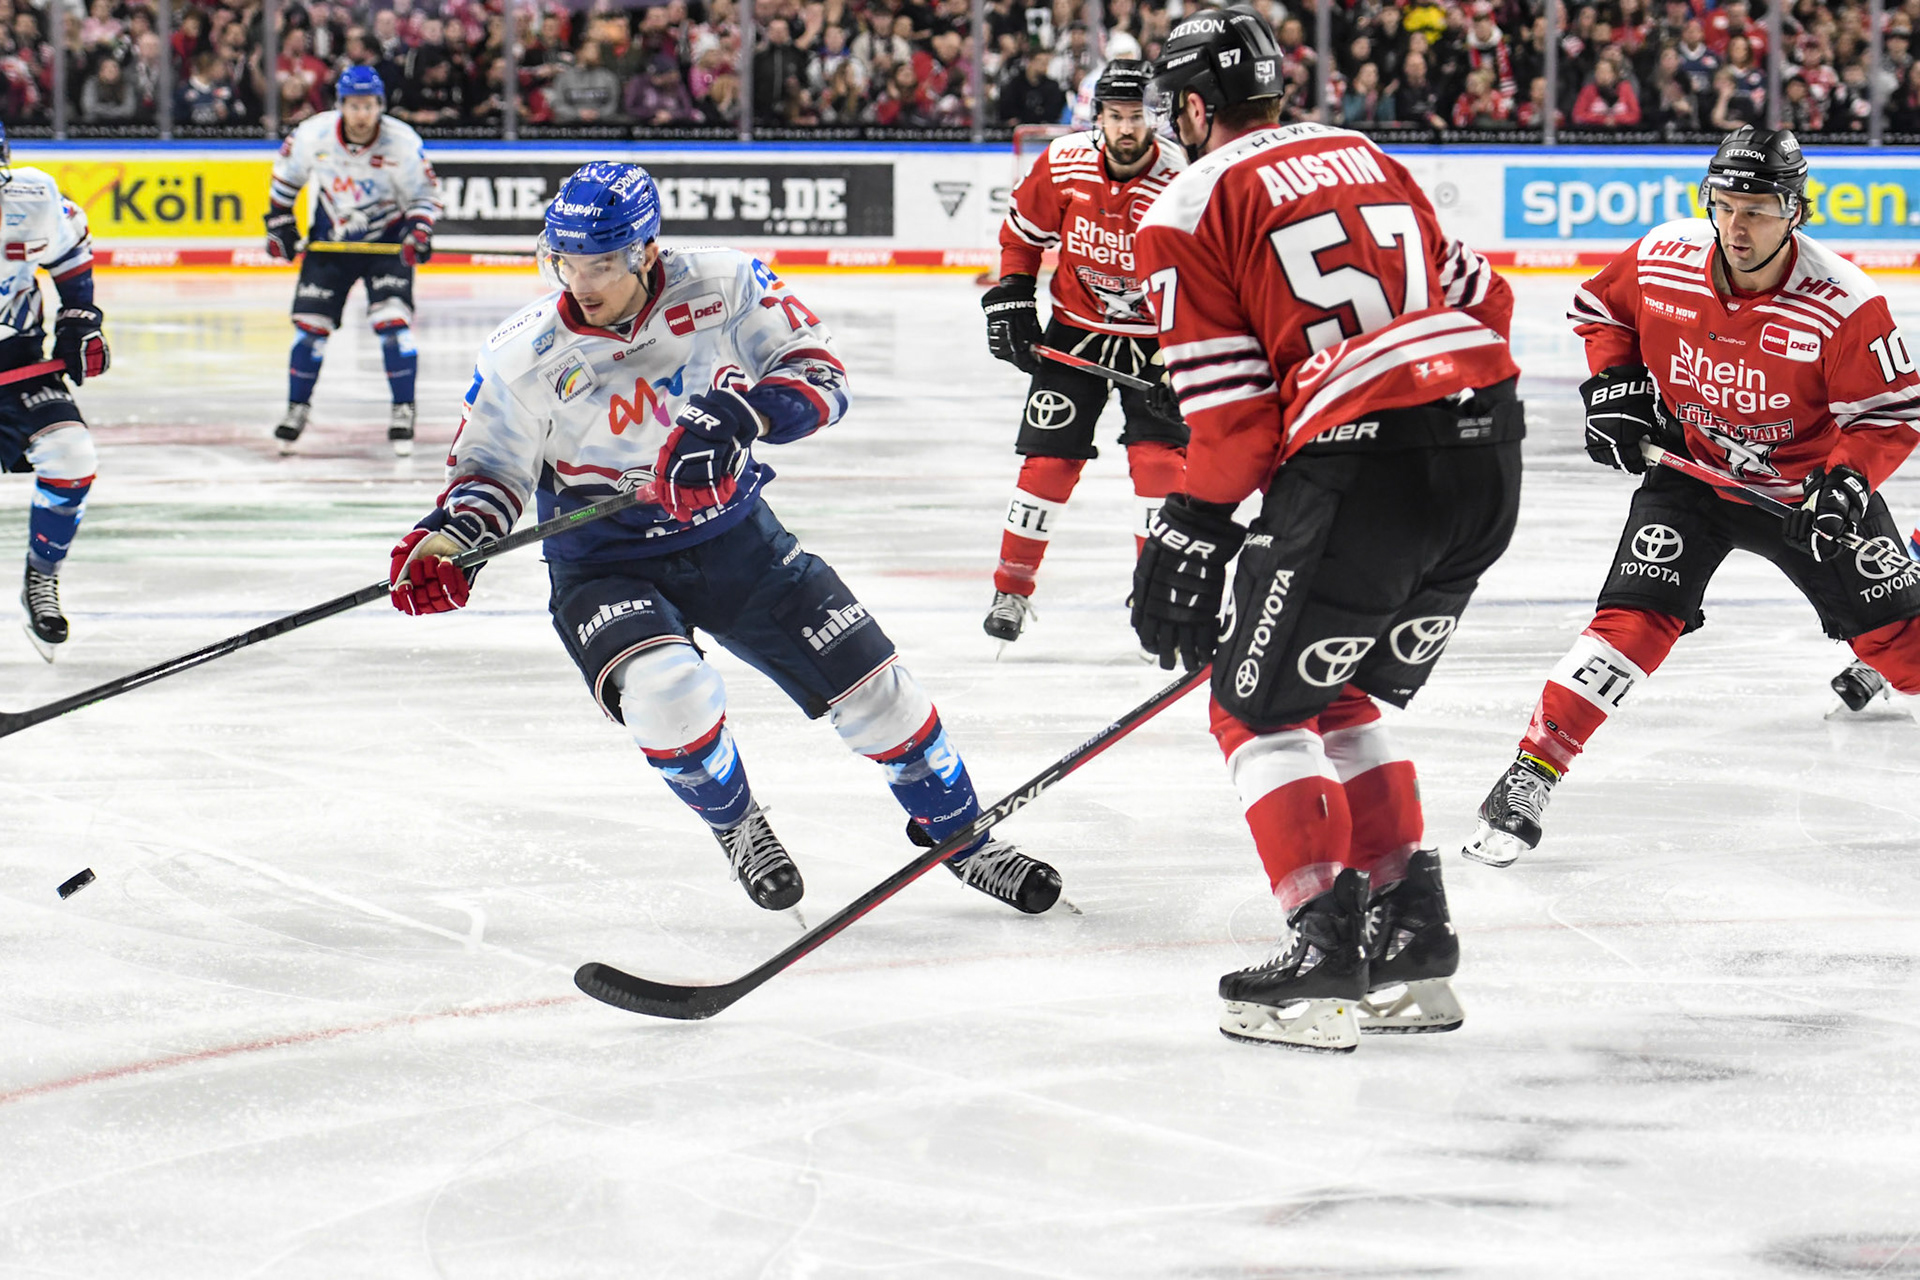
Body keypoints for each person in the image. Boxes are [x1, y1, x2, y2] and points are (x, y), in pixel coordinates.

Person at [386, 161, 1064, 918]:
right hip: (605, 563)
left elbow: (823, 376)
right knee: (667, 693)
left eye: (602, 261)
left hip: (736, 537)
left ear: (645, 250)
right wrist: (451, 540)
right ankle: (739, 826)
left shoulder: (727, 284)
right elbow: (488, 470)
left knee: (882, 696)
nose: (580, 281)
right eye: (565, 260)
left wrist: (748, 417)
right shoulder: (525, 352)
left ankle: (965, 840)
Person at [1131, 7, 1524, 1051]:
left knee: (1251, 706)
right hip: (1489, 453)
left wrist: (1191, 529)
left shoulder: (1186, 202)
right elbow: (1493, 299)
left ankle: (1322, 955)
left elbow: (1233, 425)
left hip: (1370, 466)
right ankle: (1413, 939)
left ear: (1196, 106)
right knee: (1332, 682)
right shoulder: (1366, 152)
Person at [1465, 127, 1920, 866]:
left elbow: (1887, 415)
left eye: (1758, 210)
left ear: (1796, 212)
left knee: (1906, 655)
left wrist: (1844, 484)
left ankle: (1882, 648)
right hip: (1691, 474)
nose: (1737, 228)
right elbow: (1601, 311)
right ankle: (1529, 773)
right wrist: (1613, 385)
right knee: (1633, 623)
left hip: (1805, 496)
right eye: (1726, 205)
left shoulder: (1843, 303)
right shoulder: (1662, 258)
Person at [978, 59, 1187, 646]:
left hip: (1158, 342)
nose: (1127, 128)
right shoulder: (1064, 162)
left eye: (1138, 117)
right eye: (1116, 116)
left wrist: (1191, 347)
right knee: (1046, 463)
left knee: (1160, 466)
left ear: (1156, 118)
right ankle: (1011, 590)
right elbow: (1022, 234)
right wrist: (1014, 298)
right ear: (1097, 117)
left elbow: (1214, 271)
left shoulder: (1184, 177)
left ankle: (1157, 593)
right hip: (1075, 331)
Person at [263, 66, 442, 457]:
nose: (362, 114)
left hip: (387, 247)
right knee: (310, 331)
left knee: (393, 327)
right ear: (341, 105)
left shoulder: (402, 141)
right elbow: (284, 184)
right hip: (331, 246)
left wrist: (418, 233)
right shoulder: (313, 134)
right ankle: (297, 408)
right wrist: (280, 227)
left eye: (369, 105)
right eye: (354, 105)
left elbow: (424, 197)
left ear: (380, 105)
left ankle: (403, 409)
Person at [0, 123, 110, 660]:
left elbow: (71, 257)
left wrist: (78, 321)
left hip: (18, 361)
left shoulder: (34, 195)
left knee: (72, 455)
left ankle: (40, 577)